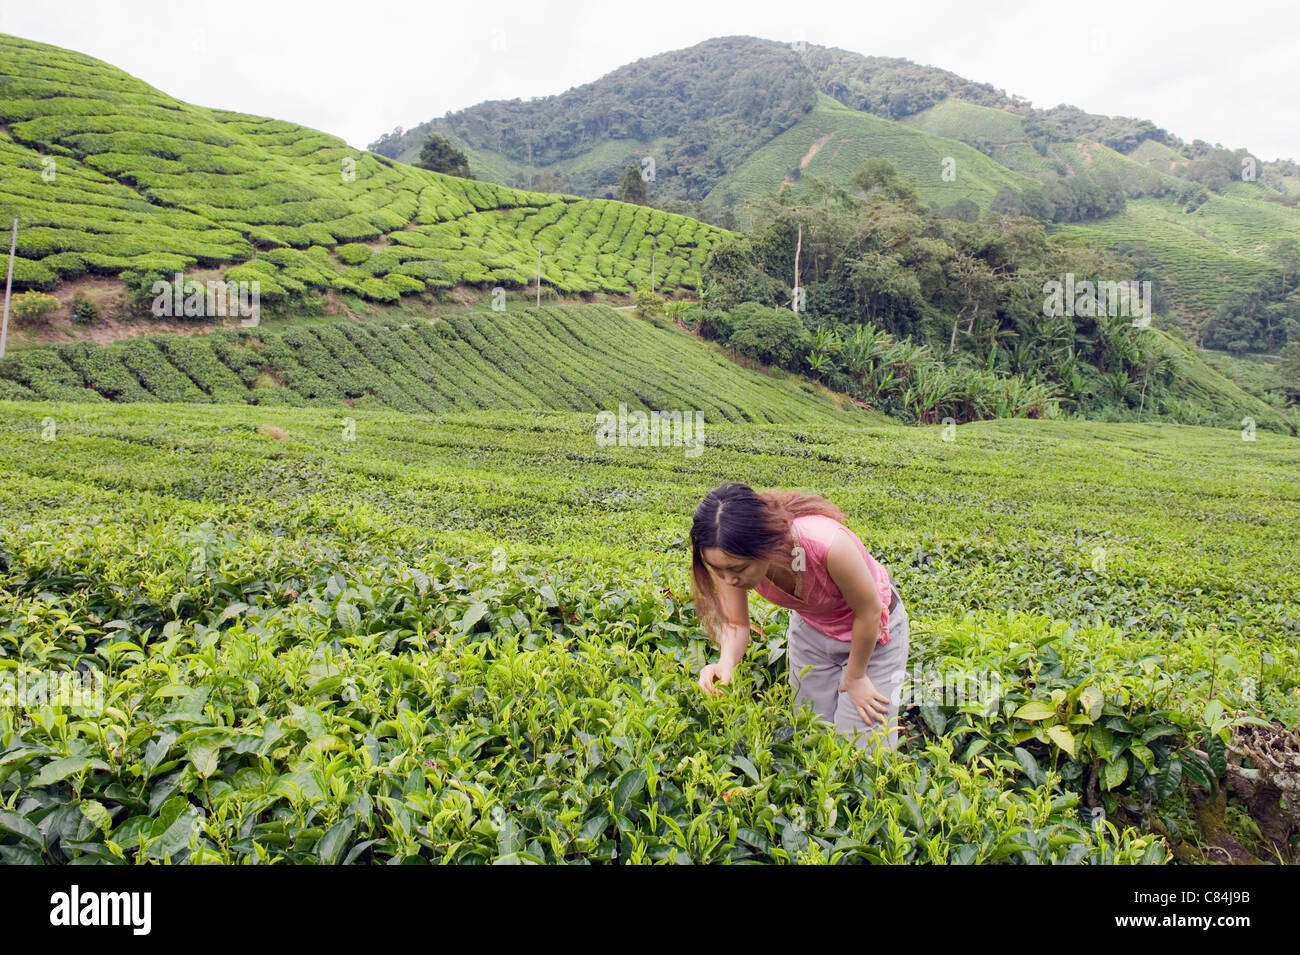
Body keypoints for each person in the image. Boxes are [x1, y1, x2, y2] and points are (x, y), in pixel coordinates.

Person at [689, 482, 910, 755]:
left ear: (766, 545)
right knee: (810, 734)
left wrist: (856, 677)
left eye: (739, 569)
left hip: (872, 636)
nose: (729, 579)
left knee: (862, 750)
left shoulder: (827, 545)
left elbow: (869, 611)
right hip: (813, 631)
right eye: (718, 571)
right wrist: (726, 663)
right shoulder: (727, 560)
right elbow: (736, 623)